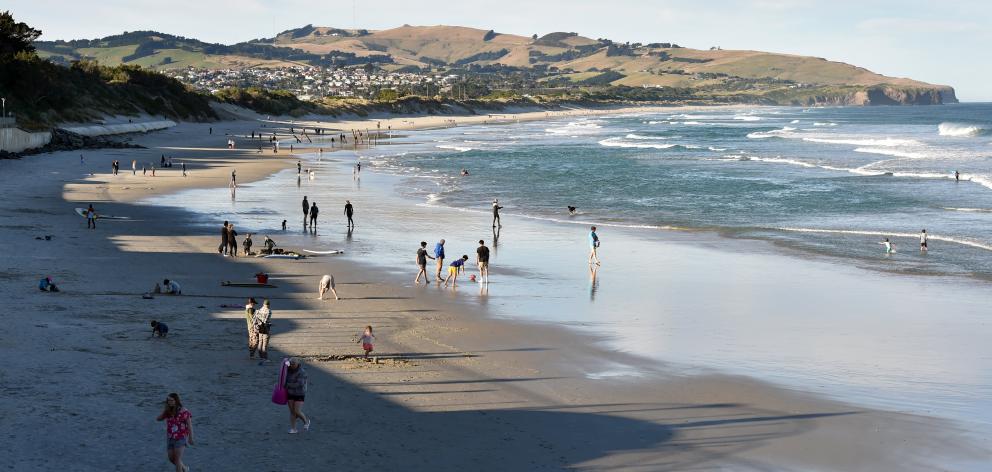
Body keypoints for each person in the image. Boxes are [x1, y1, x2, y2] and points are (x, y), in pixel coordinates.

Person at [156, 393, 193, 472]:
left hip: (181, 437)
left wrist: (190, 438)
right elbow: (159, 418)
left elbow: (189, 425)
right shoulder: (168, 411)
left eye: (171, 400)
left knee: (177, 459)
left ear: (176, 401)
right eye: (168, 400)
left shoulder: (184, 411)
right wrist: (164, 412)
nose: (169, 402)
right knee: (171, 458)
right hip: (170, 437)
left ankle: (182, 469)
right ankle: (185, 469)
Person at [284, 358, 310, 434]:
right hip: (290, 393)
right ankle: (293, 429)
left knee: (297, 411)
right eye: (291, 363)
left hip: (299, 393)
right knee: (292, 412)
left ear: (298, 364)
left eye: (293, 364)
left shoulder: (302, 372)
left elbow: (299, 384)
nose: (292, 365)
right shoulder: (287, 370)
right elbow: (283, 378)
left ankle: (306, 421)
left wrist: (287, 385)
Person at [253, 299, 272, 364]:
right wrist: (270, 324)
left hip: (260, 328)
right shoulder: (269, 311)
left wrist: (256, 326)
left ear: (263, 304)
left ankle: (261, 356)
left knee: (260, 342)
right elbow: (266, 321)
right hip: (266, 328)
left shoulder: (259, 310)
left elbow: (254, 319)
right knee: (265, 344)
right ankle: (265, 358)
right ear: (268, 305)